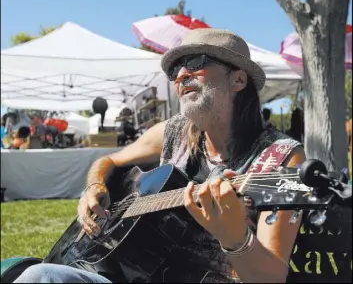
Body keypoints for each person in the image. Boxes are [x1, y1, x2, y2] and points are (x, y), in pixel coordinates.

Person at [14, 29, 306, 283]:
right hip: (123, 271)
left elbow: (271, 277)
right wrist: (94, 186)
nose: (180, 75)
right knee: (39, 275)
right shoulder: (173, 132)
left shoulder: (280, 159)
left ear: (238, 79)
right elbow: (109, 162)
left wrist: (234, 237)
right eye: (175, 69)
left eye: (195, 63)